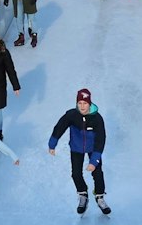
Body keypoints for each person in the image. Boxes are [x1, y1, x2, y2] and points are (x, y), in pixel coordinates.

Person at [47, 87, 110, 215]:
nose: (82, 106)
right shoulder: (72, 115)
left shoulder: (97, 119)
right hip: (76, 147)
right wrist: (52, 144)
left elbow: (101, 140)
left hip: (93, 148)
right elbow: (59, 128)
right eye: (79, 103)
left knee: (97, 173)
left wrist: (94, 161)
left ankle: (99, 196)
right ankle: (83, 194)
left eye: (85, 103)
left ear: (89, 103)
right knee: (76, 174)